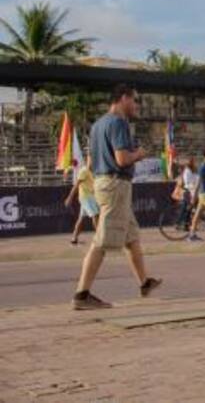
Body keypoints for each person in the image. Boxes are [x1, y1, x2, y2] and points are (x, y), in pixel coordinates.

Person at [72, 85, 162, 309]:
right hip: (115, 184)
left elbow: (91, 161)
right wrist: (139, 154)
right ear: (124, 98)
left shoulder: (97, 125)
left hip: (103, 182)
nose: (137, 105)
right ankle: (82, 295)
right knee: (101, 241)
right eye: (135, 100)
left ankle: (145, 282)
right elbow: (122, 159)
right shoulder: (119, 122)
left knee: (131, 237)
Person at [65, 154, 99, 245]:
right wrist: (70, 197)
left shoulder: (94, 172)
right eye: (90, 159)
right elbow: (76, 185)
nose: (92, 161)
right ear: (87, 160)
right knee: (95, 215)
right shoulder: (84, 171)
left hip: (90, 197)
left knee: (81, 218)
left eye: (93, 159)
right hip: (86, 197)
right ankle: (99, 237)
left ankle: (74, 238)